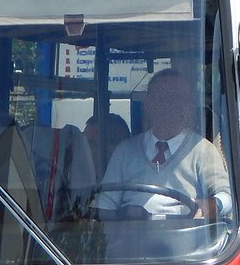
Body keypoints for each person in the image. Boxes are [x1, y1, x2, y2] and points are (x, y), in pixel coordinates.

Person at [96, 69, 231, 220]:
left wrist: (212, 205)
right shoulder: (125, 151)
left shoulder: (202, 150)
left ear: (189, 106)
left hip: (187, 232)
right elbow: (105, 206)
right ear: (148, 103)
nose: (170, 105)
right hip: (131, 232)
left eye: (179, 98)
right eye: (162, 97)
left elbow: (227, 195)